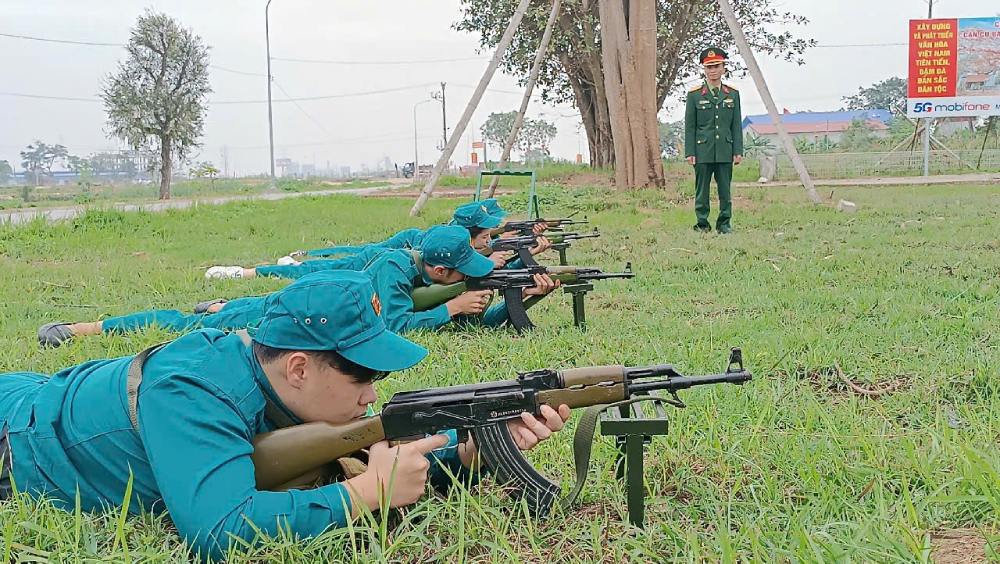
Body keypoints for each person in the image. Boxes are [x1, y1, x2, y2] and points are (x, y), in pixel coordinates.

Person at [3, 270, 571, 560]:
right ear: (298, 367)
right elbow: (217, 532)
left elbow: (351, 454)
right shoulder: (194, 392)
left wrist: (474, 450)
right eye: (362, 376)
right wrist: (362, 496)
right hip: (16, 433)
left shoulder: (285, 387)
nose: (373, 395)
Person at [36, 225, 557, 347]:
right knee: (191, 325)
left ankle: (223, 301)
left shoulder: (427, 276)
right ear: (440, 272)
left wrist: (522, 296)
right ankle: (81, 328)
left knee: (221, 313)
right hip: (288, 309)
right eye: (464, 272)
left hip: (312, 310)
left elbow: (470, 319)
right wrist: (451, 310)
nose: (472, 276)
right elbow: (396, 323)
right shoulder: (394, 272)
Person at [205, 201, 511, 281]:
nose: (489, 236)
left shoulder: (459, 243)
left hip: (405, 256)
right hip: (400, 250)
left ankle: (303, 258)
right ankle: (247, 271)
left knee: (349, 257)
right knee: (345, 260)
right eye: (485, 233)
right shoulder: (451, 243)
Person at [684, 47, 743, 234]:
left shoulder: (732, 94)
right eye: (709, 67)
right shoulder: (694, 95)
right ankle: (702, 223)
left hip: (725, 149)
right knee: (702, 190)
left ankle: (724, 223)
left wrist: (738, 150)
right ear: (704, 69)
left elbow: (735, 125)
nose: (713, 70)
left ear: (723, 67)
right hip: (703, 150)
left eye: (716, 66)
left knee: (725, 190)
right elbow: (690, 126)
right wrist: (690, 152)